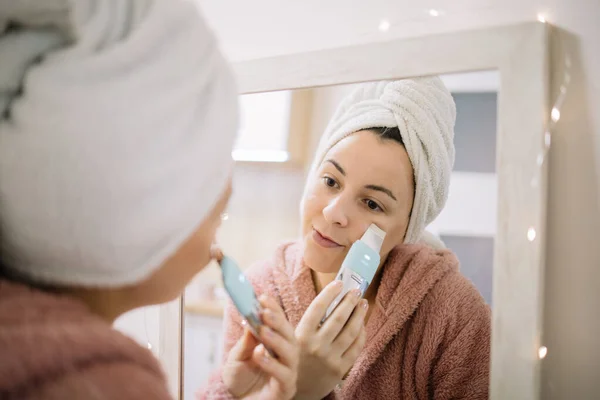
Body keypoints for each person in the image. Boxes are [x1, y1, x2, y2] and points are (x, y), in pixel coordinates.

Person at [0, 1, 298, 399]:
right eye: (214, 213)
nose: (216, 243)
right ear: (139, 213)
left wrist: (229, 391)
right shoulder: (99, 383)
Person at [201, 78, 491, 399]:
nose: (333, 212)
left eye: (371, 203)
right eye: (330, 180)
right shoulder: (259, 292)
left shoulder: (455, 315)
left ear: (409, 226)